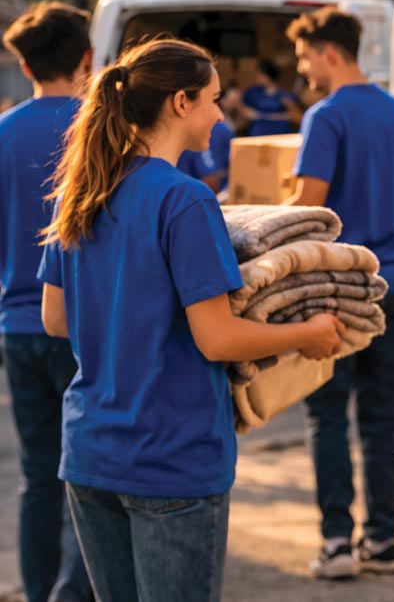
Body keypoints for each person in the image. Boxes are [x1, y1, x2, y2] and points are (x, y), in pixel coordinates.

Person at [39, 37, 344, 602]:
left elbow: (55, 319)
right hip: (171, 456)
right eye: (213, 100)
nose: (220, 115)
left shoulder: (78, 193)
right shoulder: (185, 201)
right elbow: (218, 337)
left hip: (90, 453)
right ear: (180, 103)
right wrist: (311, 332)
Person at [283, 6, 394, 579]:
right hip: (389, 284)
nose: (304, 72)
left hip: (333, 286)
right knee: (381, 414)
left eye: (305, 59)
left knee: (328, 414)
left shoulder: (324, 117)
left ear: (330, 53)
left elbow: (309, 206)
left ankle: (336, 543)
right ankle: (385, 541)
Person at [0, 2, 93, 602]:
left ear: (23, 62)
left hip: (16, 325)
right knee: (86, 474)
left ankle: (38, 592)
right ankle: (74, 591)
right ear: (87, 58)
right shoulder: (101, 129)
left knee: (38, 475)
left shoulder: (3, 131)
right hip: (87, 325)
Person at [241, 58, 301, 136]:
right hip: (257, 136)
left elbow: (297, 117)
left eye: (260, 74)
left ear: (267, 76)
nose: (257, 76)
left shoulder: (285, 95)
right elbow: (245, 113)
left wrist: (261, 116)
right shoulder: (253, 93)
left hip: (279, 136)